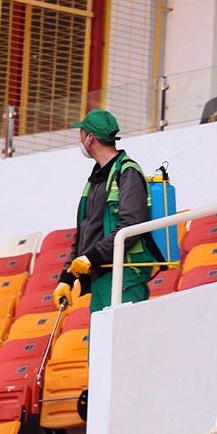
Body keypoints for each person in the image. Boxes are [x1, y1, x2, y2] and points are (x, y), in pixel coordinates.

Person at [54, 108, 160, 313]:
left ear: (90, 138)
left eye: (81, 134)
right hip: (101, 277)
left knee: (124, 343)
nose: (80, 139)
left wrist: (91, 257)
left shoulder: (127, 172)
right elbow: (86, 231)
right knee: (101, 344)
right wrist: (66, 279)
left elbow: (130, 227)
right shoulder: (98, 178)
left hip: (125, 276)